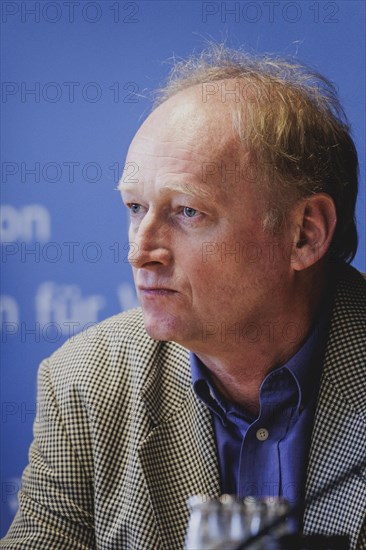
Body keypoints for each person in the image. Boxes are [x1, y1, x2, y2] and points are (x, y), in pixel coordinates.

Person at [1, 44, 365, 550]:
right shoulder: (85, 383)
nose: (140, 252)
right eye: (135, 207)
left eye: (187, 212)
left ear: (304, 234)